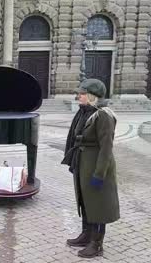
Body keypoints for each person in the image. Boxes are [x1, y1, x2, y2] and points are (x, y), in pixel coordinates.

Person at [62, 78, 120, 258]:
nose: (78, 95)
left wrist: (99, 174)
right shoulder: (83, 112)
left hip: (96, 167)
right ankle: (86, 235)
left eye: (82, 93)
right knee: (86, 202)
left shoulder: (103, 115)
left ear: (91, 96)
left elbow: (106, 148)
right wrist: (73, 161)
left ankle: (97, 244)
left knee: (99, 206)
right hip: (83, 164)